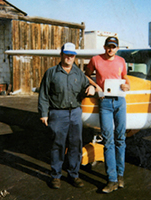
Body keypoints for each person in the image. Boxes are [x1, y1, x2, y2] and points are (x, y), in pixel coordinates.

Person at [38, 42, 95, 189]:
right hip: (57, 113)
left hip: (75, 113)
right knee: (57, 145)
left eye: (72, 55)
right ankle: (56, 176)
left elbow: (87, 86)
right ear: (61, 54)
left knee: (76, 144)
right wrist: (44, 113)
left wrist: (91, 87)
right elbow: (43, 94)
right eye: (66, 54)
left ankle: (74, 175)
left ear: (74, 56)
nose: (69, 57)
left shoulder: (79, 73)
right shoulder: (51, 72)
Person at [85, 36, 130, 193]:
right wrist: (96, 87)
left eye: (113, 46)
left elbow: (125, 78)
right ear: (104, 47)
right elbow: (86, 75)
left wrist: (127, 86)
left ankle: (120, 175)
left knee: (120, 138)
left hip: (120, 102)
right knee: (108, 140)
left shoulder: (121, 61)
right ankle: (111, 180)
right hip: (104, 103)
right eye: (108, 46)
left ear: (117, 48)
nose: (111, 49)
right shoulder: (95, 59)